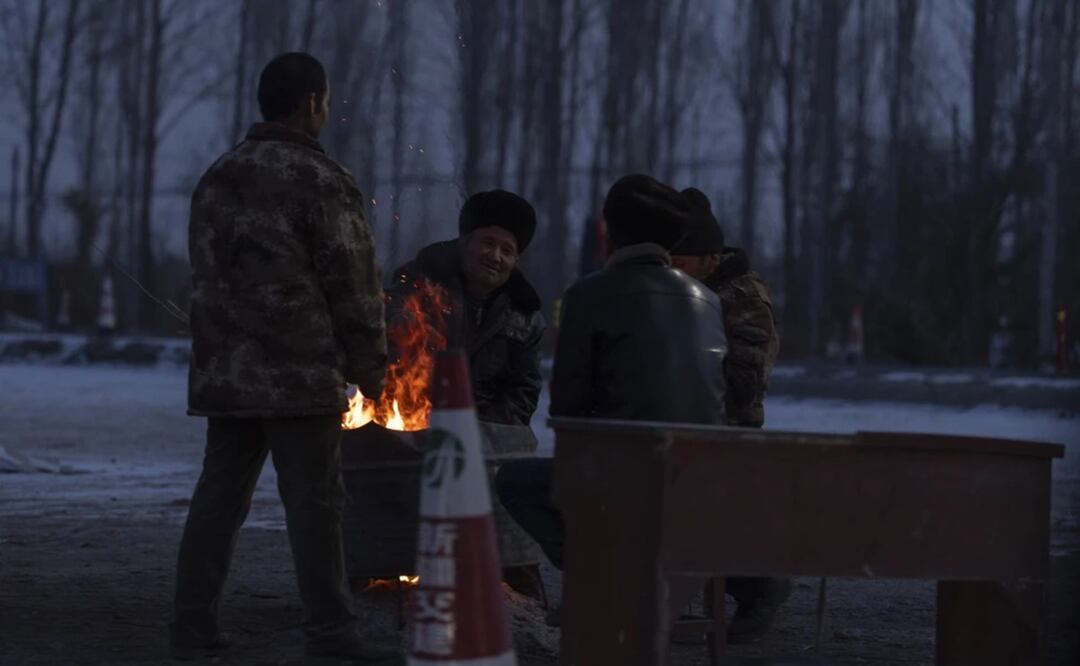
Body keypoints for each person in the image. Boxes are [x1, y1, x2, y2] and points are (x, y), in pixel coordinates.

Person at [172, 52, 401, 664]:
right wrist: (371, 367)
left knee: (218, 498)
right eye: (324, 101)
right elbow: (352, 280)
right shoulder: (319, 178)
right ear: (311, 105)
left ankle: (191, 623)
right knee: (317, 504)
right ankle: (331, 631)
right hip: (299, 377)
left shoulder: (217, 177)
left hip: (227, 375)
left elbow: (204, 272)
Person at [494, 174, 729, 623]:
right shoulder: (708, 301)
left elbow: (568, 413)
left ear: (611, 231)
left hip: (624, 479)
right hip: (697, 481)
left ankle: (601, 580)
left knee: (514, 482)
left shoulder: (589, 294)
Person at [670, 187, 788, 645]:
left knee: (697, 517)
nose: (670, 269)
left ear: (708, 258)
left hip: (729, 431)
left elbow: (746, 381)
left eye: (678, 259)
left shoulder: (742, 298)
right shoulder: (701, 289)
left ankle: (758, 586)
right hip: (690, 426)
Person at [387, 190, 545, 427]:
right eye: (488, 243)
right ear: (465, 243)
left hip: (485, 440)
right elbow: (385, 348)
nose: (495, 256)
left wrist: (471, 432)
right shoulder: (419, 285)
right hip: (410, 429)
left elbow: (522, 393)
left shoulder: (526, 317)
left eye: (507, 251)